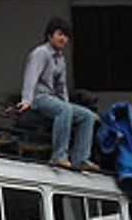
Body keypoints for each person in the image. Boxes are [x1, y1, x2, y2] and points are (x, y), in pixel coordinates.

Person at [18, 17, 98, 170]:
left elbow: (62, 88)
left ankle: (80, 158)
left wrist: (69, 105)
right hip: (39, 98)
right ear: (50, 35)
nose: (64, 39)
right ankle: (58, 156)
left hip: (54, 100)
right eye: (60, 34)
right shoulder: (40, 53)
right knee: (64, 110)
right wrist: (26, 100)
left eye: (66, 36)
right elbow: (31, 77)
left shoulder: (60, 58)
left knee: (86, 115)